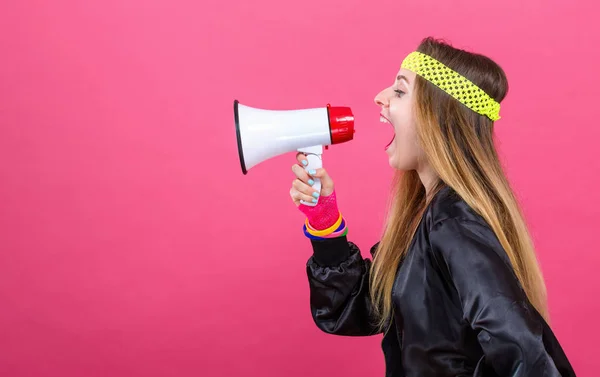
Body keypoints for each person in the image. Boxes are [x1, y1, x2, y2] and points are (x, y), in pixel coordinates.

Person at [289, 37, 576, 376]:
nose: (379, 98)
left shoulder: (453, 222)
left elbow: (522, 353)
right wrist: (325, 223)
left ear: (437, 117)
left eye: (399, 91)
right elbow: (361, 306)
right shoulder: (430, 219)